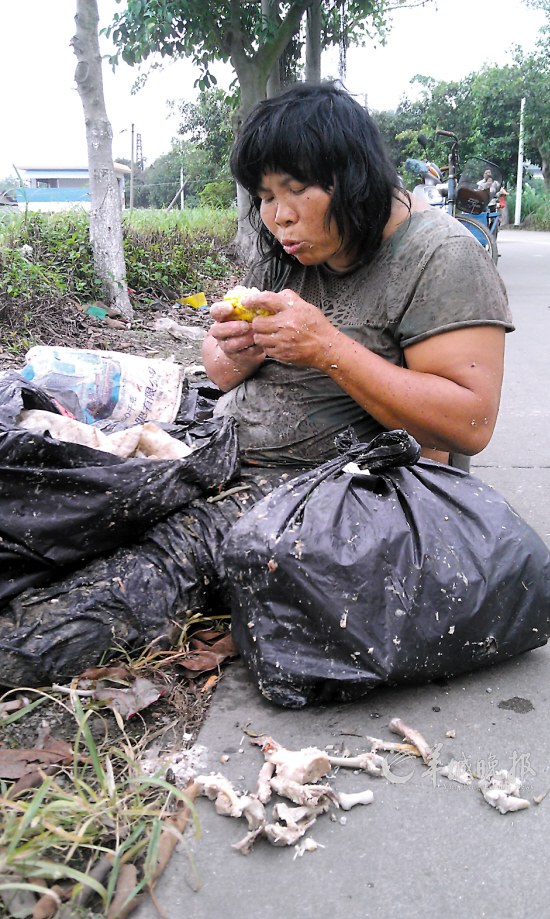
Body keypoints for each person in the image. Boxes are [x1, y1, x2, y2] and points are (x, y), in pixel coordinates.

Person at [204, 81, 513, 470]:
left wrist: (327, 349)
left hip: (362, 495)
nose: (280, 215)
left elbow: (469, 425)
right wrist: (238, 351)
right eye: (266, 197)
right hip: (235, 464)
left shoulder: (441, 255)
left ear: (355, 178)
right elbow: (218, 372)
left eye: (297, 188)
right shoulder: (288, 251)